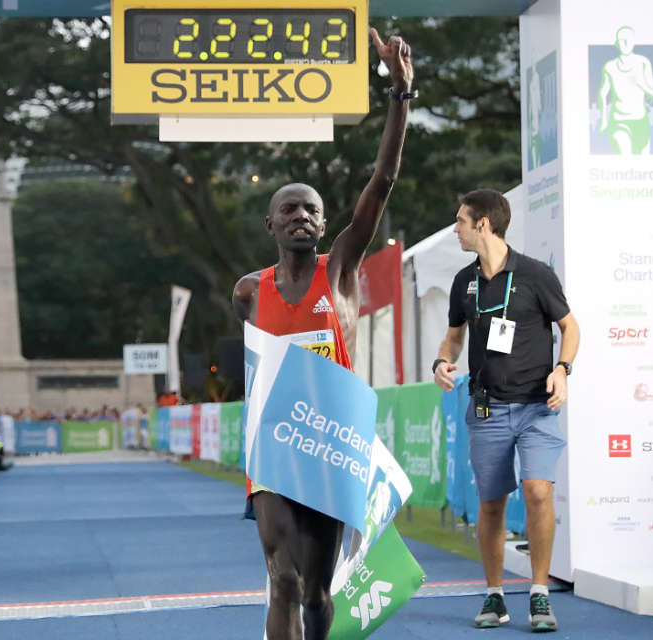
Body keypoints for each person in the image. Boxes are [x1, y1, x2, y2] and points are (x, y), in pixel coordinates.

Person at [231, 28, 413, 640]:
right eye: (289, 209)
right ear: (270, 224)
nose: (301, 216)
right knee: (280, 580)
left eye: (311, 209)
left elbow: (381, 185)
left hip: (332, 448)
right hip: (276, 449)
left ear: (326, 223)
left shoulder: (340, 274)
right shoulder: (249, 292)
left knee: (316, 594)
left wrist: (398, 96)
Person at [431, 189, 580, 632]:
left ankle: (538, 595)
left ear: (483, 225)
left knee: (537, 491)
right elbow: (453, 336)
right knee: (491, 504)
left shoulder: (535, 274)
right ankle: (494, 594)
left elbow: (570, 327)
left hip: (538, 406)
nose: (455, 229)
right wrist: (442, 360)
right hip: (487, 407)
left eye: (460, 221)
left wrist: (563, 369)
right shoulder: (464, 281)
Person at [598, 26, 653, 155]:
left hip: (640, 120)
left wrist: (641, 84)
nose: (625, 43)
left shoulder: (643, 63)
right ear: (617, 43)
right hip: (619, 120)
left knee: (644, 163)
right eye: (621, 40)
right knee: (625, 159)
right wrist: (603, 119)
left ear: (633, 41)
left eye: (628, 40)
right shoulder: (610, 66)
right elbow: (603, 94)